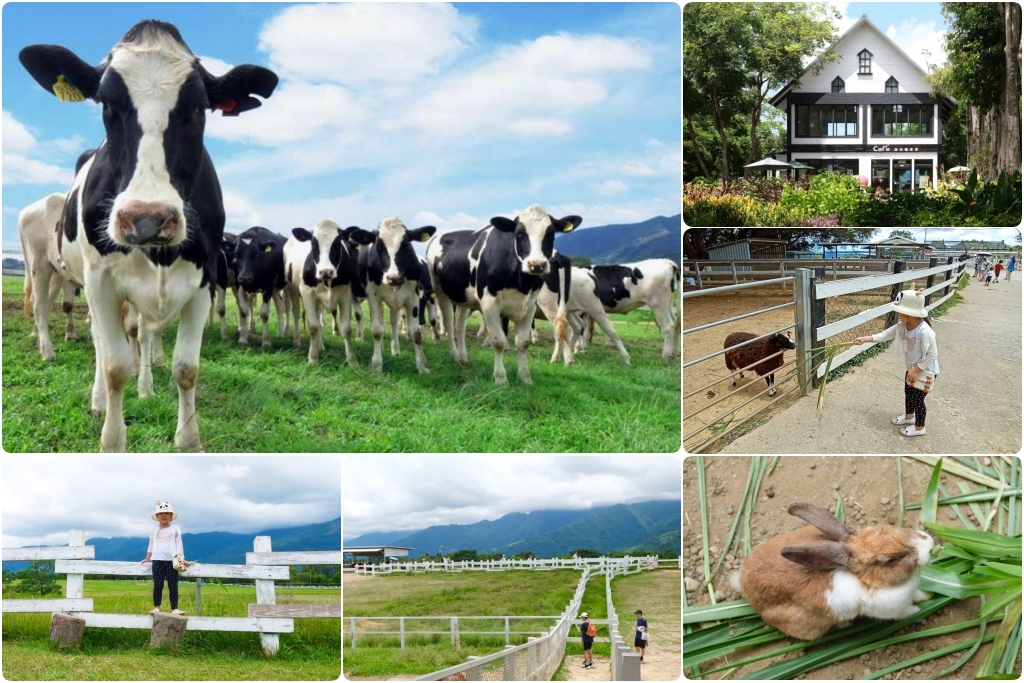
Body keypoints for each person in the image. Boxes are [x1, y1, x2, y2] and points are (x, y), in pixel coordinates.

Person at [853, 288, 939, 437]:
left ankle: (920, 427)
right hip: (912, 368)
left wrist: (916, 369)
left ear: (910, 314)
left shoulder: (924, 331)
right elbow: (884, 335)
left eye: (900, 312)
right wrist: (864, 339)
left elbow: (933, 355)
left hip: (925, 370)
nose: (898, 315)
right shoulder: (902, 327)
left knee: (918, 399)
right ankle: (909, 417)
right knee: (908, 393)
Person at [141, 500, 188, 615]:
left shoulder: (176, 528)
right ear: (157, 516)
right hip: (157, 560)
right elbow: (151, 544)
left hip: (172, 561)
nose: (164, 515)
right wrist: (148, 558)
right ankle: (157, 607)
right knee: (158, 584)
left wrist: (181, 559)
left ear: (171, 516)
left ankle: (174, 608)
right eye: (161, 513)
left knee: (173, 585)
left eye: (167, 513)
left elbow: (179, 545)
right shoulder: (153, 529)